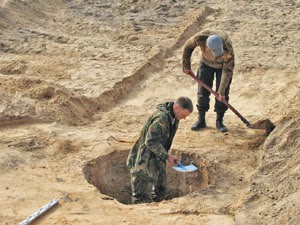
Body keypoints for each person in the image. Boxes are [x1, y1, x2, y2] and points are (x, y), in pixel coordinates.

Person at [126, 96, 193, 204]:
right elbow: (150, 141)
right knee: (140, 190)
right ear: (176, 107)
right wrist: (167, 156)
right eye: (183, 115)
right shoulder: (161, 119)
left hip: (158, 154)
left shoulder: (174, 117)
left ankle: (157, 207)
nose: (184, 118)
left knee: (160, 186)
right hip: (144, 155)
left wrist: (165, 155)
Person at [182, 28, 235, 132]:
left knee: (222, 95)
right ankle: (201, 120)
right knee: (202, 92)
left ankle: (219, 121)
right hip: (206, 63)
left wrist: (221, 91)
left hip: (222, 67)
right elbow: (187, 48)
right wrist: (186, 65)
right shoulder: (200, 38)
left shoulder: (228, 49)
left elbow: (227, 71)